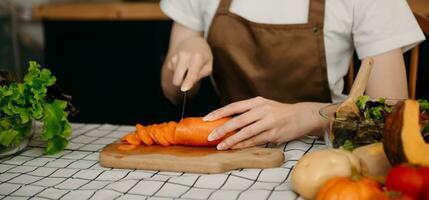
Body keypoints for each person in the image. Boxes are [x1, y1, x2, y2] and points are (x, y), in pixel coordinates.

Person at [159, 0, 425, 150]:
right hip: (228, 148)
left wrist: (308, 116)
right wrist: (186, 49)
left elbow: (391, 115)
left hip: (325, 150)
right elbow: (172, 93)